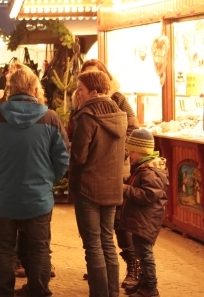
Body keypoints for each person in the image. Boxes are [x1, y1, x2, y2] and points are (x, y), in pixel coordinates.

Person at [0, 68, 69, 297]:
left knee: (4, 246)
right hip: (38, 197)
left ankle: (3, 291)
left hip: (5, 195)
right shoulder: (50, 118)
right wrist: (49, 180)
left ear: (9, 90)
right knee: (39, 248)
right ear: (35, 89)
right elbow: (63, 157)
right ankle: (38, 290)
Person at [80, 59, 141, 289]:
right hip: (94, 171)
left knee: (118, 223)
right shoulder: (83, 100)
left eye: (94, 74)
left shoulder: (118, 99)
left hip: (115, 169)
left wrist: (121, 152)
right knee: (97, 230)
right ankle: (102, 273)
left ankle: (132, 265)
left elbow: (134, 127)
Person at [70, 70, 127, 297]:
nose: (78, 94)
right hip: (112, 188)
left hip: (88, 188)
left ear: (93, 91)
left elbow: (80, 156)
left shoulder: (87, 116)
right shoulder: (120, 115)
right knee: (108, 242)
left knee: (92, 245)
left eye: (81, 89)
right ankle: (112, 293)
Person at [119, 129, 168, 297]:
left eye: (132, 151)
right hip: (142, 219)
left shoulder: (150, 172)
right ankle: (143, 282)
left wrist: (125, 189)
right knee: (140, 252)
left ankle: (150, 287)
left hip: (146, 220)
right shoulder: (142, 168)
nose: (129, 155)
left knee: (145, 254)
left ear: (142, 151)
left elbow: (148, 195)